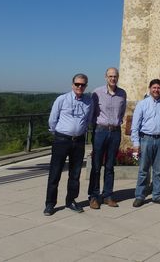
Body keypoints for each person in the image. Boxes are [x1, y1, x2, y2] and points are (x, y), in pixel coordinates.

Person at [44, 74, 93, 216]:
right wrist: (59, 134)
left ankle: (71, 200)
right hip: (62, 140)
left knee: (75, 173)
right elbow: (52, 120)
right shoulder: (62, 99)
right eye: (77, 84)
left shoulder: (89, 102)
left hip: (78, 141)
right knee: (55, 173)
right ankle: (50, 204)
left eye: (83, 85)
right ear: (72, 85)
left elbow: (88, 120)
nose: (79, 87)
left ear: (86, 86)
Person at [131, 79, 160, 207]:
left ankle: (157, 195)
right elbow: (135, 124)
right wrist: (136, 142)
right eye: (154, 88)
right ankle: (140, 195)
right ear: (150, 89)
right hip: (146, 139)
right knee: (143, 169)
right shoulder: (142, 104)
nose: (156, 90)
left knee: (159, 169)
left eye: (158, 88)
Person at [87, 67, 127, 209]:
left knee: (110, 166)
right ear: (106, 77)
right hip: (100, 131)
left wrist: (117, 123)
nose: (113, 79)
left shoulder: (122, 93)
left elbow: (122, 112)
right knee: (96, 166)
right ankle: (93, 196)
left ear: (118, 77)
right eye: (110, 76)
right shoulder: (96, 93)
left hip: (115, 131)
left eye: (115, 76)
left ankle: (107, 195)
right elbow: (92, 114)